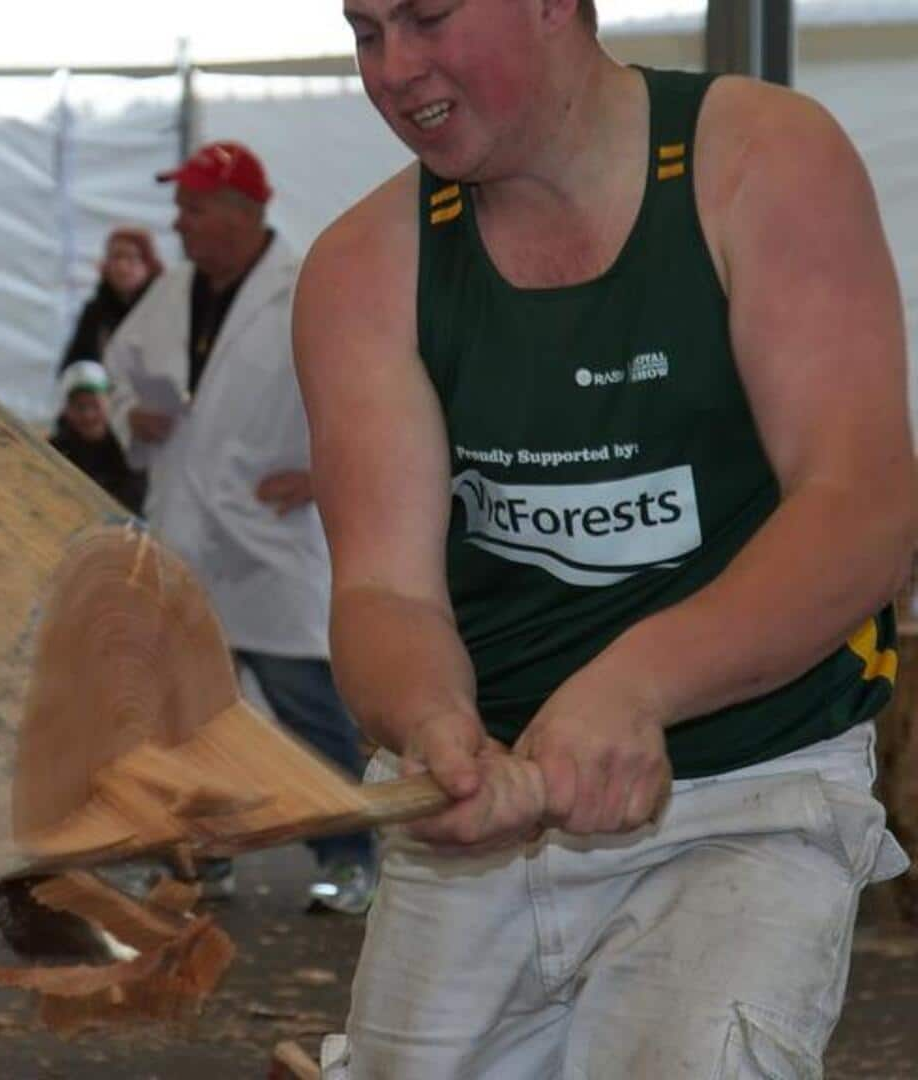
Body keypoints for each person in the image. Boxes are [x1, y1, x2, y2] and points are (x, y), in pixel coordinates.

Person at [294, 0, 914, 1074]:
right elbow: (385, 597)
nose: (394, 68)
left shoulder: (760, 161)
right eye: (366, 31)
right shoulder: (364, 267)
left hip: (745, 789)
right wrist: (435, 726)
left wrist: (639, 687)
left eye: (428, 18)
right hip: (484, 810)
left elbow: (859, 508)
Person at [106, 140, 376, 911]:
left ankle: (351, 857)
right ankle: (198, 860)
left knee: (305, 714)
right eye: (181, 206)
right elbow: (117, 369)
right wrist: (133, 416)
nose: (179, 223)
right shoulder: (173, 290)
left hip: (271, 538)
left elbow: (373, 394)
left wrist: (326, 475)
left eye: (193, 207)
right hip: (185, 535)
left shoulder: (307, 288)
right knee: (183, 717)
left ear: (240, 213)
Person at [59, 226, 162, 373]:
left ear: (149, 265)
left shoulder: (162, 310)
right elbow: (76, 365)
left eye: (131, 258)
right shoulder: (96, 312)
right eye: (116, 258)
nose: (122, 267)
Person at [49, 360, 146, 515]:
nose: (88, 415)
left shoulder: (132, 454)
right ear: (66, 410)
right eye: (79, 406)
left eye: (95, 404)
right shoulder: (53, 452)